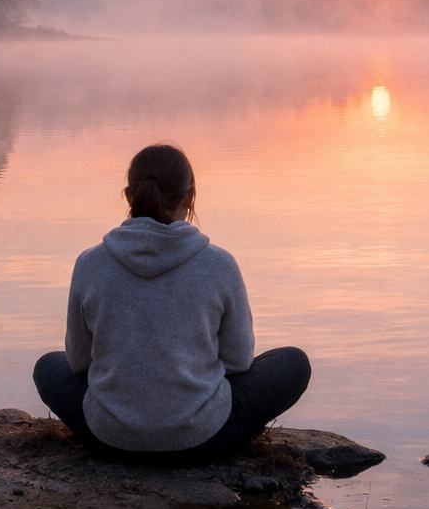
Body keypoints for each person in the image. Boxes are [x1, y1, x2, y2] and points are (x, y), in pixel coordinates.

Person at [33, 143, 311, 466]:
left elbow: (79, 363)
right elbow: (238, 361)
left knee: (48, 367)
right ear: (189, 197)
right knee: (294, 363)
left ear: (128, 196)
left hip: (109, 439)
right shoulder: (220, 265)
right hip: (203, 440)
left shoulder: (89, 264)